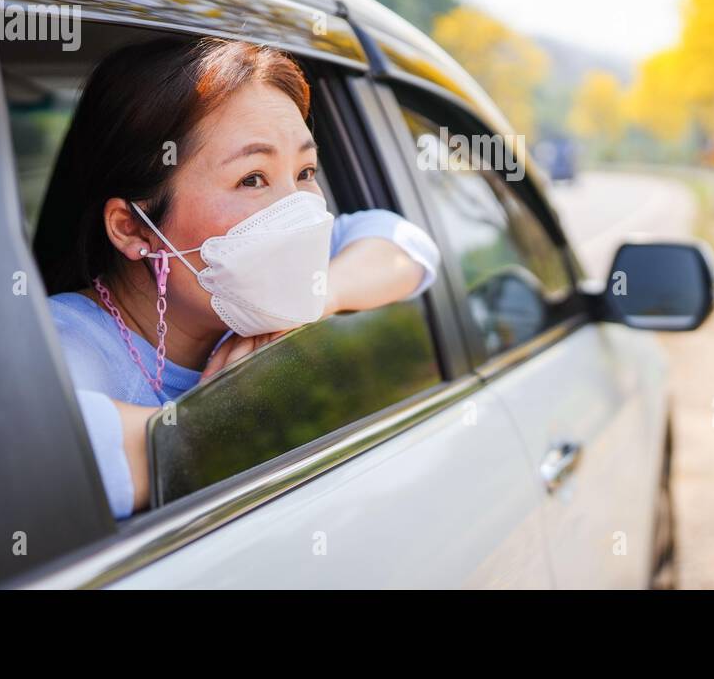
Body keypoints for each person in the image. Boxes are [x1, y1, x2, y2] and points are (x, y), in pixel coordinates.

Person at [33, 37, 439, 519]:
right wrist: (227, 417)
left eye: (305, 171)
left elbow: (406, 244)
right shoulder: (63, 345)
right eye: (252, 178)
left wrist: (319, 294)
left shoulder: (251, 295)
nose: (298, 208)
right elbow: (39, 456)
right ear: (131, 228)